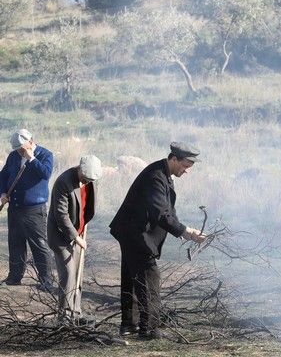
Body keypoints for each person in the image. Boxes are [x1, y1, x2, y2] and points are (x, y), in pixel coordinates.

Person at [109, 143, 206, 339]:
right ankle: (150, 329)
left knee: (132, 276)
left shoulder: (163, 174)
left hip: (130, 231)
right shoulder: (156, 177)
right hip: (135, 233)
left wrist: (187, 230)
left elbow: (168, 210)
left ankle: (130, 325)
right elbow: (161, 214)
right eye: (185, 166)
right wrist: (185, 232)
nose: (186, 171)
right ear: (173, 159)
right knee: (149, 277)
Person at [47, 155, 103, 324]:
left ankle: (76, 314)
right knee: (69, 274)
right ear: (79, 168)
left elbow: (87, 205)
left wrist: (83, 224)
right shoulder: (63, 182)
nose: (87, 182)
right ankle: (64, 317)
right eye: (85, 178)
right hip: (60, 236)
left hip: (79, 233)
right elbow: (61, 215)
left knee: (77, 274)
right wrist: (76, 237)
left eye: (90, 180)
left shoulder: (92, 179)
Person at [0, 129, 54, 290]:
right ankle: (14, 277)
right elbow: (2, 176)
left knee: (39, 245)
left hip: (34, 210)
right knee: (15, 243)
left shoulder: (45, 155)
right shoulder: (13, 156)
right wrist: (2, 192)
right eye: (17, 149)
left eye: (22, 148)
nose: (19, 151)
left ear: (30, 142)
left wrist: (31, 158)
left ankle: (46, 280)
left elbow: (46, 174)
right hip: (15, 207)